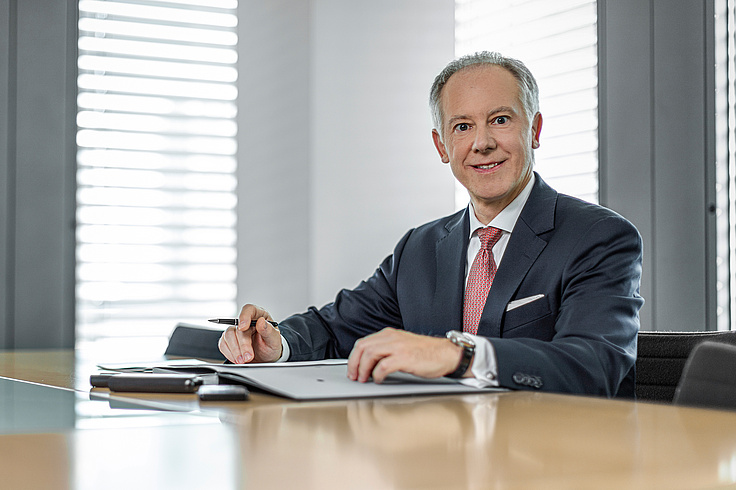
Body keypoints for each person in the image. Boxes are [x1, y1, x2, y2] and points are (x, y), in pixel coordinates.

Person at [218, 51, 643, 397]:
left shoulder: (600, 238)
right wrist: (276, 344)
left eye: (500, 120)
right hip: (441, 453)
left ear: (534, 130)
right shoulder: (419, 249)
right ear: (442, 146)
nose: (482, 143)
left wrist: (459, 355)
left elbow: (594, 366)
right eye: (463, 126)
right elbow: (334, 328)